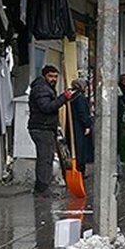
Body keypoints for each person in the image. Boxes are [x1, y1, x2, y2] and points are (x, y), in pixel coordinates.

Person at [27, 65, 73, 196]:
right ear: (44, 76)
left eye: (55, 77)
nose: (54, 79)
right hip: (42, 128)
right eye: (51, 76)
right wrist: (63, 98)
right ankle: (42, 189)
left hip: (44, 127)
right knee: (45, 158)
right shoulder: (42, 89)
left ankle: (41, 187)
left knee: (46, 157)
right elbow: (47, 107)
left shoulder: (45, 88)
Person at [68, 78, 94, 177]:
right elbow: (82, 113)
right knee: (81, 149)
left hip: (73, 125)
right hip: (79, 127)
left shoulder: (72, 97)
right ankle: (80, 171)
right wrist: (87, 125)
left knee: (76, 148)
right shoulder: (80, 98)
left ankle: (78, 169)